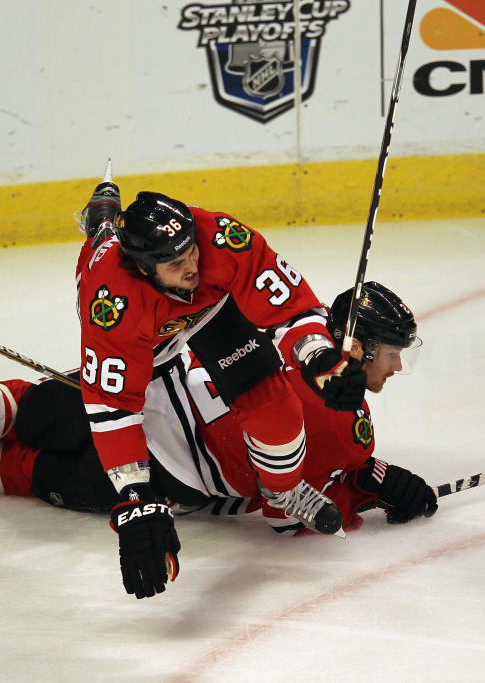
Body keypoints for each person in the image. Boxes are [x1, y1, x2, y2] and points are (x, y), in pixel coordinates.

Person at [0, 281, 438, 599]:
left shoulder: (285, 326)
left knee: (30, 403)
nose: (397, 368)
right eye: (390, 354)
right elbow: (285, 512)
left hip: (136, 396)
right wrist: (367, 489)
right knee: (27, 472)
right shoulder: (345, 425)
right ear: (357, 348)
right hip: (161, 477)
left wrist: (366, 476)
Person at [69, 166, 378, 597]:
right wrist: (138, 498)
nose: (192, 263)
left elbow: (288, 308)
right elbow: (113, 407)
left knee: (277, 411)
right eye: (176, 262)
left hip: (209, 313)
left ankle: (284, 491)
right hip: (148, 335)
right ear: (143, 266)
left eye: (190, 249)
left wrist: (321, 358)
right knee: (100, 239)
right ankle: (101, 219)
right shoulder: (112, 304)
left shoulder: (220, 238)